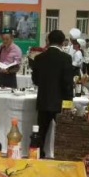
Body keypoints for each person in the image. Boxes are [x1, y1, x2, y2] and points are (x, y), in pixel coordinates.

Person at [32, 29, 74, 158]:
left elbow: (35, 80)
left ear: (48, 41)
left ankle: (38, 154)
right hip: (60, 101)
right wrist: (69, 101)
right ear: (62, 42)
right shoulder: (66, 58)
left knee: (41, 131)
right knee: (62, 131)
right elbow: (67, 82)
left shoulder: (39, 58)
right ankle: (61, 155)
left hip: (44, 99)